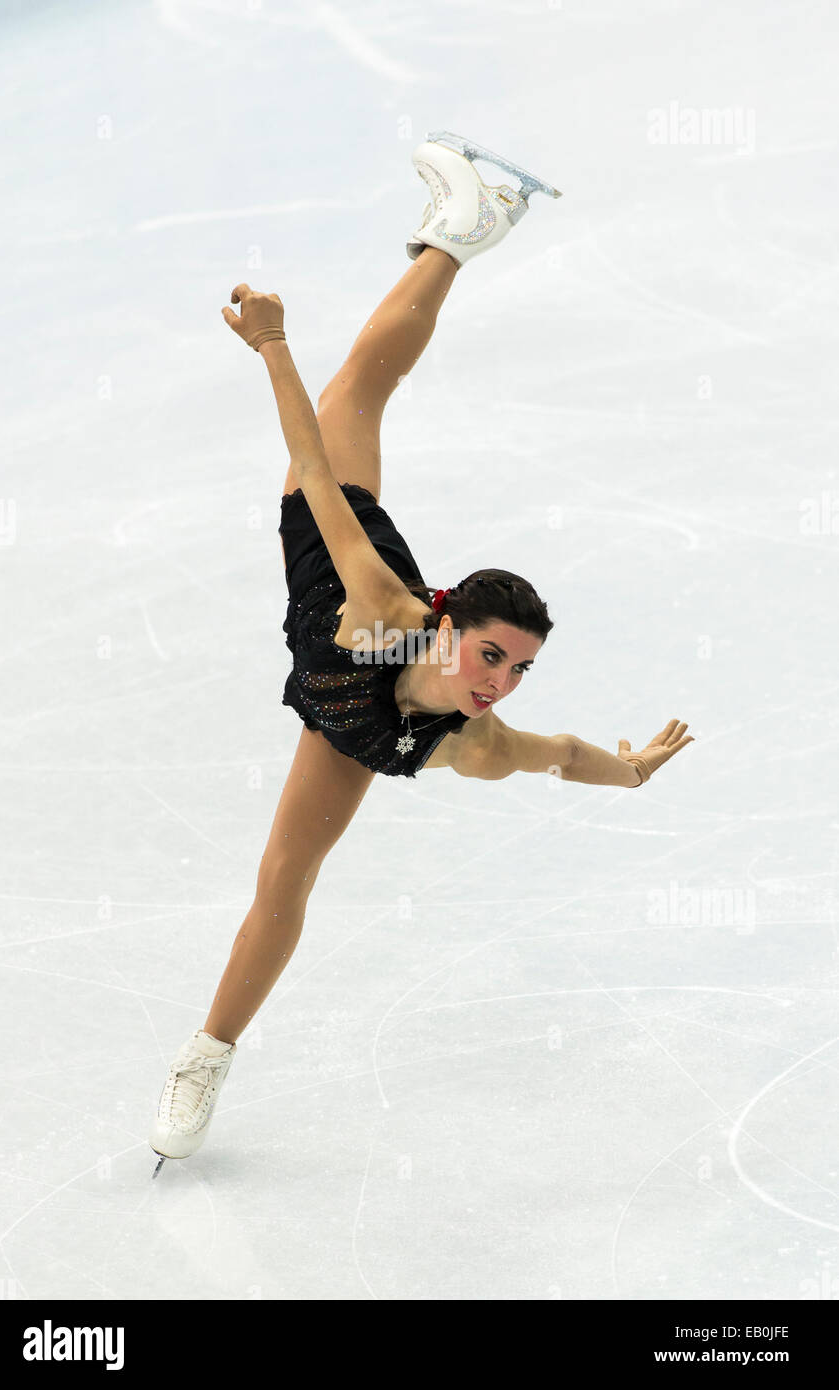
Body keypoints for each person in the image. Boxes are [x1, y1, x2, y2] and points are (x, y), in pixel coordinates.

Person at [148, 133, 694, 1173]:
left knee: (284, 878)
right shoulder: (382, 603)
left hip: (355, 722)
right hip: (337, 557)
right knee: (353, 389)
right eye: (491, 656)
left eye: (516, 670)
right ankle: (456, 231)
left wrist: (627, 771)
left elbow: (559, 752)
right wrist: (270, 343)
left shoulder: (474, 740)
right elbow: (309, 470)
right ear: (448, 629)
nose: (498, 685)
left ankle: (205, 1053)